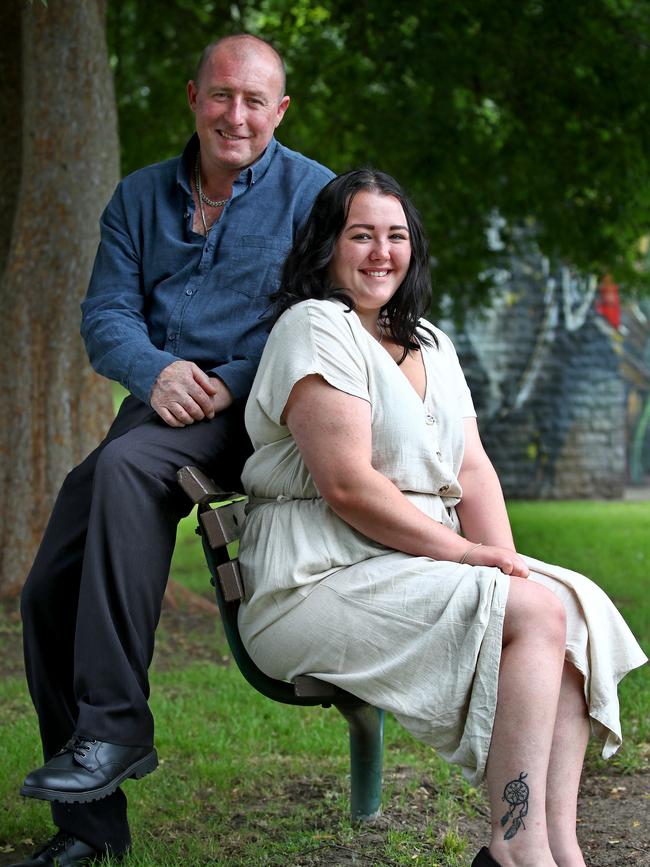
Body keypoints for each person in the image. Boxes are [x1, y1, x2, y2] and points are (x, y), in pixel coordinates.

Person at [236, 169, 647, 867]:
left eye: (395, 236)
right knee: (535, 613)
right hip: (314, 580)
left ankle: (556, 848)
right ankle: (517, 848)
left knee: (571, 608)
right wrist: (466, 559)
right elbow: (348, 485)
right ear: (327, 247)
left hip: (402, 565)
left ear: (413, 249)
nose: (379, 252)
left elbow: (474, 470)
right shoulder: (314, 327)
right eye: (359, 234)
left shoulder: (429, 339)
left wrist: (509, 564)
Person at [14, 34, 333, 867]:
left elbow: (326, 323)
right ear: (193, 97)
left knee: (124, 465)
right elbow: (105, 315)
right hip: (158, 410)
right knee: (47, 590)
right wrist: (156, 372)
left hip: (259, 413)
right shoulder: (138, 198)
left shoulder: (315, 195)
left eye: (255, 100)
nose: (236, 114)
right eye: (222, 95)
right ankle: (91, 827)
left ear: (280, 111)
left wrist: (227, 379)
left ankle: (116, 726)